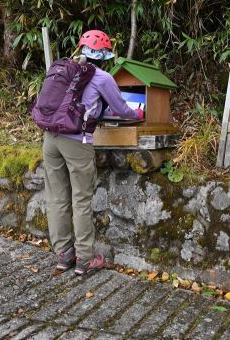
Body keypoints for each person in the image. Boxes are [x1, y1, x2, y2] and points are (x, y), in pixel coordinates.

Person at [41, 29, 143, 275]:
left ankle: (64, 256)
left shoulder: (63, 69)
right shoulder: (102, 77)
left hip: (50, 139)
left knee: (56, 198)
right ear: (105, 54)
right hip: (77, 141)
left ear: (81, 49)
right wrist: (139, 113)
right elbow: (120, 109)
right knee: (81, 200)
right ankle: (85, 259)